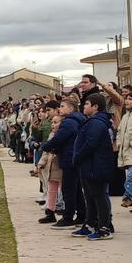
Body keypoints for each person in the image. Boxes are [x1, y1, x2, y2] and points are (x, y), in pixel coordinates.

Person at [72, 92, 116, 240]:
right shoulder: (91, 121)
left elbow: (90, 144)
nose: (83, 106)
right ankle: (89, 224)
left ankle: (104, 227)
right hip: (88, 166)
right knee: (90, 197)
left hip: (95, 166)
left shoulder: (97, 123)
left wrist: (77, 157)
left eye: (86, 104)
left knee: (98, 196)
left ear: (95, 106)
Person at [41, 97, 83, 229]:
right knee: (76, 190)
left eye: (63, 106)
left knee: (68, 189)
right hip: (72, 157)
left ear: (71, 108)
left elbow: (59, 139)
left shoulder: (69, 122)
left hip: (69, 158)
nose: (60, 109)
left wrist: (46, 146)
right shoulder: (78, 119)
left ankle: (68, 217)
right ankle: (82, 215)